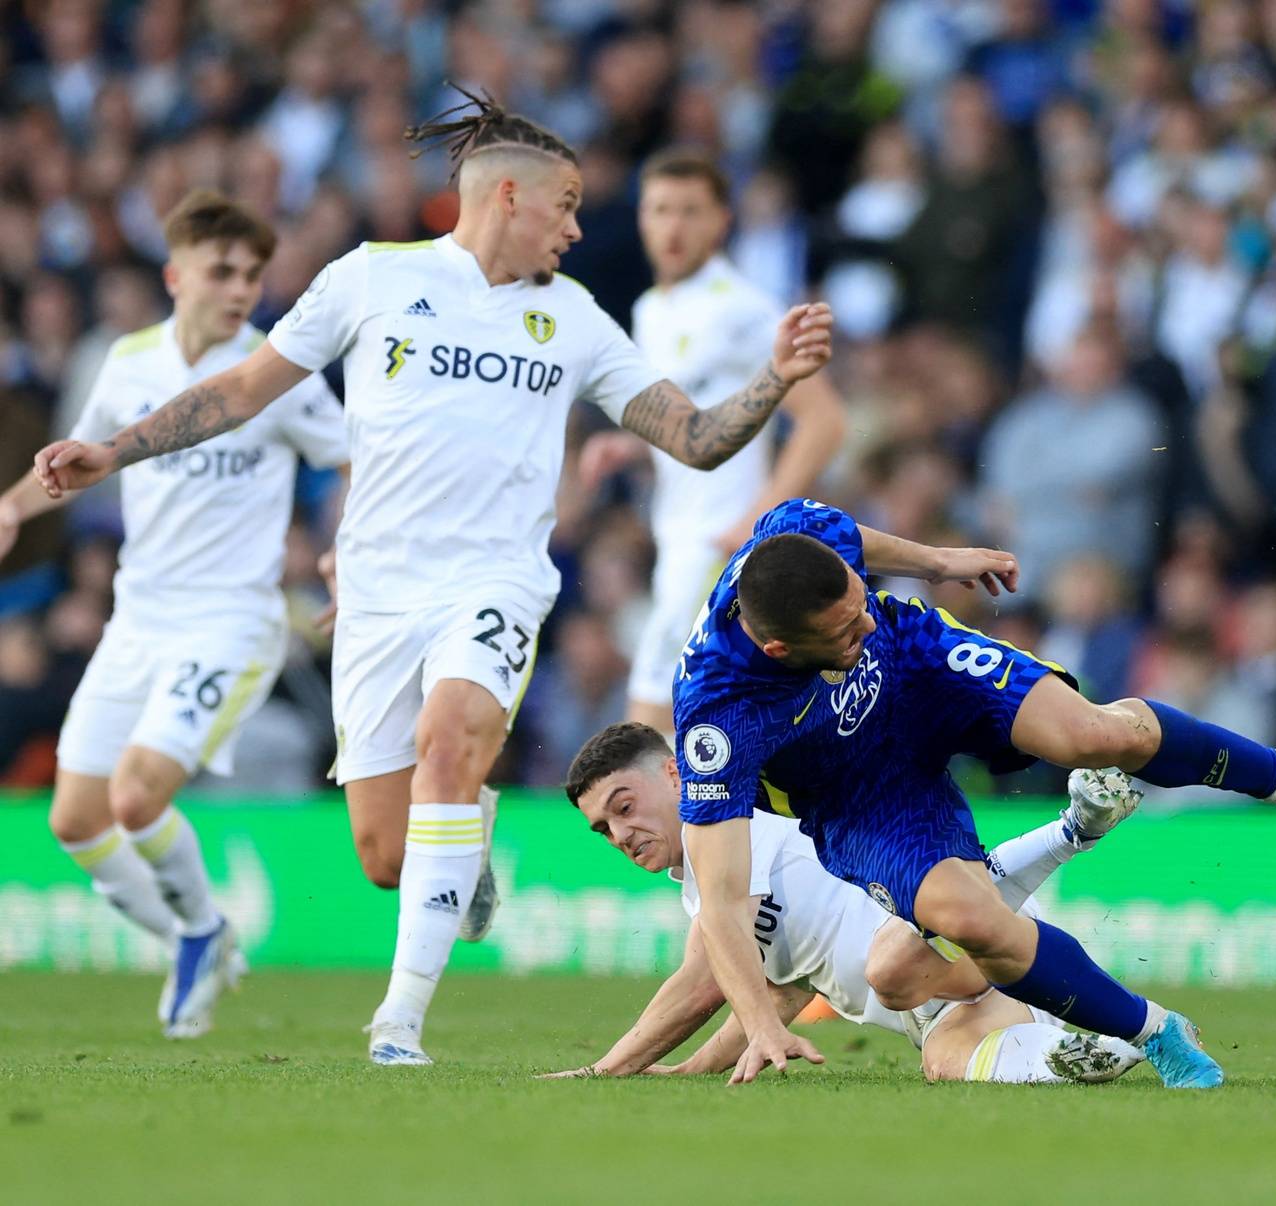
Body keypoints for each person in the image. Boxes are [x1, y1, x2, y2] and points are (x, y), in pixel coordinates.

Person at [31, 92, 836, 1067]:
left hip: (494, 581)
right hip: (375, 595)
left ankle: (398, 1024)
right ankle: (466, 844)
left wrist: (775, 382)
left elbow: (698, 438)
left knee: (450, 738)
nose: (580, 228)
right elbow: (241, 391)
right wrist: (112, 451)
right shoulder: (369, 280)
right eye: (567, 205)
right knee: (383, 857)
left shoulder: (572, 318)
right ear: (508, 196)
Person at [672, 498, 1276, 1089]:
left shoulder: (798, 547)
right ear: (779, 651)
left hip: (916, 665)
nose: (865, 618)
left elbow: (851, 545)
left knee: (1094, 735)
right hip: (858, 792)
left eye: (863, 601)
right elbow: (722, 898)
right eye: (844, 626)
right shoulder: (718, 719)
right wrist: (764, 1026)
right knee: (971, 917)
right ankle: (1155, 1031)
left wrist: (938, 562)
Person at [0, 189, 347, 1038]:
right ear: (176, 273)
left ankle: (196, 934)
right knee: (75, 819)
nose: (240, 288)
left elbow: (356, 461)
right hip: (139, 618)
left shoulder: (276, 375)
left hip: (232, 622)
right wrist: (10, 506)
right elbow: (75, 466)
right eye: (223, 271)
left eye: (253, 274)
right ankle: (198, 930)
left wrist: (347, 554)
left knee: (136, 795)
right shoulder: (129, 362)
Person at [543, 722, 1144, 1085]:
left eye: (623, 807)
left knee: (890, 967)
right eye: (602, 829)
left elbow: (702, 981)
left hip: (942, 941)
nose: (619, 835)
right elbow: (783, 991)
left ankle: (1069, 832)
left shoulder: (730, 825)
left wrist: (605, 1070)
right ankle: (1092, 1049)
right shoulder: (702, 882)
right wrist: (689, 1072)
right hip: (937, 1004)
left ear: (677, 775)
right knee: (948, 1063)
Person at [577, 147, 848, 739]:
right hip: (678, 537)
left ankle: (639, 826)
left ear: (722, 221)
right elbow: (701, 420)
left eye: (691, 211)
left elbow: (824, 420)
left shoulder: (742, 310)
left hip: (719, 544)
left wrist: (757, 515)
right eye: (661, 210)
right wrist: (632, 447)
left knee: (651, 718)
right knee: (706, 721)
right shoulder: (653, 309)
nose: (673, 227)